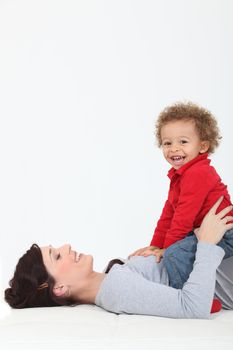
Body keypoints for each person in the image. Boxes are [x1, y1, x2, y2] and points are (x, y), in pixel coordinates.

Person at [4, 198, 233, 318]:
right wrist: (206, 244)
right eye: (56, 256)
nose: (67, 246)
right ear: (60, 288)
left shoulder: (114, 276)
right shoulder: (116, 290)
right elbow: (192, 306)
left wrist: (161, 250)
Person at [130, 102, 233, 267]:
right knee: (173, 249)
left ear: (203, 146)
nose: (174, 149)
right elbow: (169, 214)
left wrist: (167, 249)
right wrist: (156, 245)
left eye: (183, 142)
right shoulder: (179, 176)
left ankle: (186, 292)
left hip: (225, 234)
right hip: (200, 232)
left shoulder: (198, 173)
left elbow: (183, 216)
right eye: (167, 143)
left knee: (174, 256)